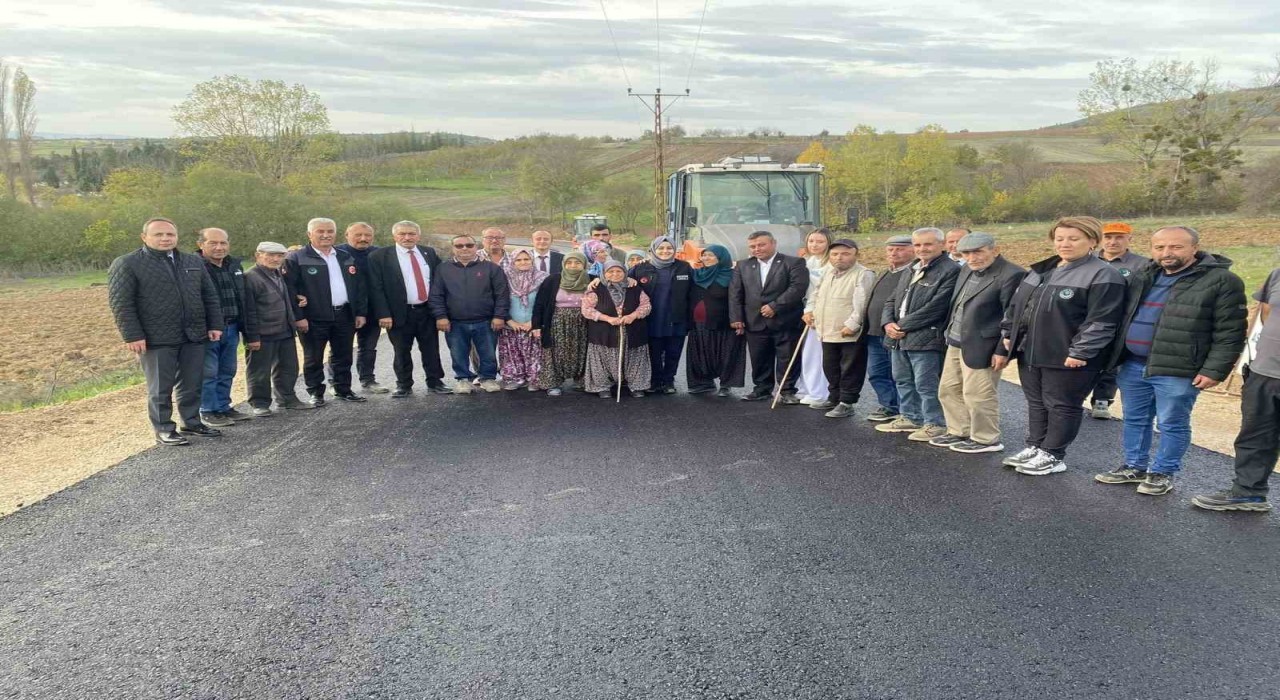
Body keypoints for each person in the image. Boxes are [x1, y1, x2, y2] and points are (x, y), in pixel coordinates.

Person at [1093, 226, 1245, 496]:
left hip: (1179, 368)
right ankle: (1133, 466)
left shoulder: (1221, 281)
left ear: (1194, 248)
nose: (1166, 253)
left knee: (1171, 422)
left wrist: (1214, 370)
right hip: (1133, 363)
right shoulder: (1145, 275)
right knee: (1135, 419)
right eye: (1159, 247)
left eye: (1175, 247)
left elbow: (1230, 332)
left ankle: (1162, 472)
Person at [997, 216, 1127, 476]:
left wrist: (1081, 351)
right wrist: (1009, 333)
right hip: (1030, 351)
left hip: (1069, 356)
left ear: (1092, 241)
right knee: (1036, 402)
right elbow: (1017, 306)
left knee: (1062, 404)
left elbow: (1102, 320)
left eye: (1073, 238)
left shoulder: (1103, 274)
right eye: (1060, 238)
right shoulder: (1042, 270)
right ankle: (1035, 446)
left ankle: (1054, 454)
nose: (1065, 244)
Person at [107, 217, 224, 446]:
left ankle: (191, 422)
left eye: (169, 234)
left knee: (192, 382)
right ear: (144, 237)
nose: (165, 239)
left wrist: (215, 324)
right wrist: (132, 335)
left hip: (193, 334)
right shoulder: (128, 263)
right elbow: (121, 303)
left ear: (177, 237)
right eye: (158, 234)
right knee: (160, 386)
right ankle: (163, 428)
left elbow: (209, 296)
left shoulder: (192, 261)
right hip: (155, 337)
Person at [1193, 266, 1280, 513]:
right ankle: (1248, 493)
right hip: (1265, 371)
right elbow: (1266, 311)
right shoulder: (1276, 273)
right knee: (1255, 436)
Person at [930, 232, 1025, 454]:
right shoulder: (966, 269)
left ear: (995, 249)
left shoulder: (1012, 275)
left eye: (978, 251)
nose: (972, 258)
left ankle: (986, 439)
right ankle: (958, 431)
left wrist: (1003, 349)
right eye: (967, 253)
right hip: (955, 340)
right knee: (948, 390)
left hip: (984, 345)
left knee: (978, 395)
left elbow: (1013, 317)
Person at [876, 227, 960, 441]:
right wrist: (888, 323)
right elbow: (892, 300)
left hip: (926, 337)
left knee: (926, 383)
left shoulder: (950, 270)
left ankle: (935, 423)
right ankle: (911, 417)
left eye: (928, 244)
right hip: (898, 337)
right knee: (903, 379)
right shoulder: (912, 268)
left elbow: (937, 307)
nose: (922, 248)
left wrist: (901, 325)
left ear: (941, 245)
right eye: (918, 245)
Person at [285, 217, 369, 405]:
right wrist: (299, 318)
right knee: (313, 357)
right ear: (309, 234)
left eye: (330, 231)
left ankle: (343, 389)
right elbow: (290, 290)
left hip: (344, 314)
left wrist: (360, 312)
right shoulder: (297, 258)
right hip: (313, 318)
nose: (326, 235)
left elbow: (359, 288)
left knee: (343, 355)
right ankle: (316, 392)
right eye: (320, 231)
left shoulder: (345, 256)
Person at [367, 220, 449, 398]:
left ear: (418, 236)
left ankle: (435, 382)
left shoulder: (429, 253)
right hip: (398, 313)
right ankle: (404, 385)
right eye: (402, 234)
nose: (407, 237)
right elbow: (375, 288)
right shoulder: (380, 256)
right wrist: (383, 313)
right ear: (394, 236)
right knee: (401, 350)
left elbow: (439, 280)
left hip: (426, 311)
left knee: (431, 349)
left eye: (411, 234)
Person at [729, 231, 809, 403]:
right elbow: (735, 293)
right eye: (753, 246)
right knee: (759, 358)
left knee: (787, 357)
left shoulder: (794, 262)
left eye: (761, 244)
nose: (757, 249)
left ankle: (787, 391)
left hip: (785, 320)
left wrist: (775, 306)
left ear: (773, 243)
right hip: (754, 321)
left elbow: (798, 288)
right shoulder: (742, 266)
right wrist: (737, 318)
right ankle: (762, 389)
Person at [803, 238, 875, 418]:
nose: (839, 258)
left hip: (848, 332)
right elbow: (816, 294)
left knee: (850, 368)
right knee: (830, 367)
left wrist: (853, 324)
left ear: (855, 255)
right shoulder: (828, 273)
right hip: (826, 330)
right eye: (835, 254)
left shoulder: (863, 274)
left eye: (845, 254)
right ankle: (834, 396)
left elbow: (862, 302)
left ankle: (847, 402)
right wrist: (810, 311)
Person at [429, 234, 509, 393]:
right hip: (455, 322)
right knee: (458, 353)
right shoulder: (443, 269)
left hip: (485, 320)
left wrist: (499, 316)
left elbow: (502, 294)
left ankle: (488, 378)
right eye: (459, 246)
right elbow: (436, 295)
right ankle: (463, 379)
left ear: (476, 247)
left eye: (469, 245)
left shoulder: (491, 268)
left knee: (488, 353)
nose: (464, 248)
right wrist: (441, 316)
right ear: (453, 248)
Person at [241, 241, 313, 416]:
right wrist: (252, 336)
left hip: (285, 329)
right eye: (271, 255)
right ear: (258, 255)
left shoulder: (278, 273)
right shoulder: (250, 277)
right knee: (259, 370)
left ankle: (287, 398)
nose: (276, 259)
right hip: (263, 332)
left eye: (280, 255)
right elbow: (247, 309)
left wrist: (296, 299)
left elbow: (281, 296)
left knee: (288, 367)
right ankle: (260, 403)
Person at [1090, 221, 1151, 419]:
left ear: (1129, 239)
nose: (1113, 242)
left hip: (1120, 321)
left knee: (1111, 361)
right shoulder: (1086, 260)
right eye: (1108, 237)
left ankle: (1102, 399)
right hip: (1086, 319)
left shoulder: (1142, 265)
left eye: (1119, 237)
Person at [195, 227, 253, 427]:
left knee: (227, 369)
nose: (219, 247)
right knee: (208, 372)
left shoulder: (234, 265)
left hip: (232, 326)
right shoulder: (194, 267)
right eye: (213, 243)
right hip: (209, 329)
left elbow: (242, 297)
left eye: (223, 243)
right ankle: (208, 410)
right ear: (201, 245)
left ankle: (223, 406)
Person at [630, 236, 693, 394]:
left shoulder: (684, 267)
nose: (665, 251)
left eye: (669, 248)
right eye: (661, 248)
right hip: (651, 319)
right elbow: (620, 281)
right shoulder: (640, 268)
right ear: (653, 250)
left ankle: (668, 381)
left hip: (676, 319)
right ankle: (655, 380)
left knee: (673, 352)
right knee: (653, 352)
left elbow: (695, 291)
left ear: (674, 250)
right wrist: (594, 282)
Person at [862, 235, 915, 423]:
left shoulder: (912, 273)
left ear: (913, 250)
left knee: (900, 375)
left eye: (900, 249)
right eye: (891, 249)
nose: (894, 252)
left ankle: (905, 411)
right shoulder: (885, 272)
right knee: (877, 373)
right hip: (874, 332)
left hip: (896, 332)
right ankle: (888, 406)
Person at [582, 260, 652, 398]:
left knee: (635, 359)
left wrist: (633, 315)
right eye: (610, 271)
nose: (615, 274)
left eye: (619, 271)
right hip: (603, 331)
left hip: (632, 330)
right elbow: (586, 309)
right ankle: (602, 386)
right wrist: (607, 318)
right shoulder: (595, 288)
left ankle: (637, 386)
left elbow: (646, 305)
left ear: (625, 272)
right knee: (601, 359)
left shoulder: (635, 287)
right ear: (604, 273)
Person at [686, 244, 746, 397]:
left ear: (721, 258)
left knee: (726, 353)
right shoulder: (696, 274)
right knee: (701, 354)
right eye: (704, 255)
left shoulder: (732, 275)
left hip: (724, 323)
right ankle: (702, 383)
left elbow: (740, 298)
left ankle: (726, 384)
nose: (706, 258)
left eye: (711, 255)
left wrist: (739, 318)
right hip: (698, 323)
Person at [336, 222, 388, 394]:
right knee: (341, 348)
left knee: (368, 347)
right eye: (358, 235)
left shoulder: (379, 253)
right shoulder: (336, 254)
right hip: (347, 310)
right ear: (347, 235)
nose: (363, 239)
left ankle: (368, 380)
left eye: (367, 236)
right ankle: (335, 382)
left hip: (372, 309)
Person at [532, 251, 592, 396]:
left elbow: (614, 279)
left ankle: (583, 381)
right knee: (555, 352)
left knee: (583, 351)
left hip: (583, 322)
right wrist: (536, 326)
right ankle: (553, 383)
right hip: (557, 322)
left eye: (577, 263)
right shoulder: (553, 280)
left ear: (584, 265)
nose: (573, 266)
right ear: (563, 264)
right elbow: (539, 304)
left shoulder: (592, 279)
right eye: (569, 263)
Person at [500, 250, 548, 390]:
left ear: (532, 260)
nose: (523, 262)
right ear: (512, 262)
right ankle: (517, 378)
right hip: (511, 325)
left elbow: (546, 303)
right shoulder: (504, 278)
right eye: (518, 260)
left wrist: (534, 322)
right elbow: (498, 301)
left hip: (534, 325)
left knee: (535, 354)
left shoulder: (543, 278)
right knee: (513, 354)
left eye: (526, 259)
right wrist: (509, 321)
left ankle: (535, 379)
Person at [795, 228, 832, 407]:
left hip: (820, 313)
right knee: (806, 354)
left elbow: (819, 292)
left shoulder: (831, 264)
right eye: (811, 241)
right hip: (806, 311)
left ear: (828, 243)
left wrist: (811, 311)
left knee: (817, 355)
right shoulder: (808, 262)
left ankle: (819, 392)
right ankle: (805, 387)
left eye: (820, 242)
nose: (815, 245)